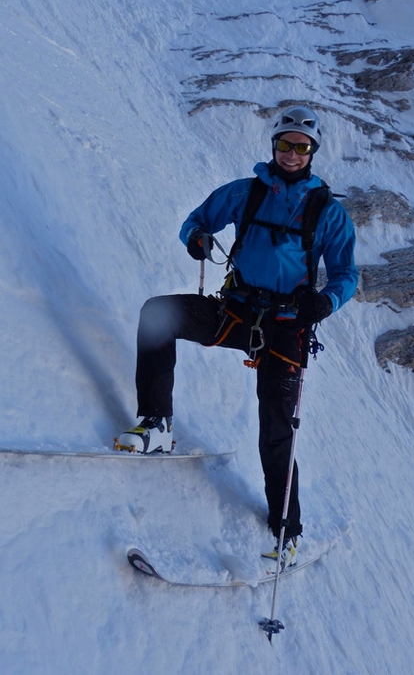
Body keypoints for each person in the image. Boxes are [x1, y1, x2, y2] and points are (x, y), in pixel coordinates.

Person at [117, 105, 358, 566]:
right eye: (285, 144)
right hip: (237, 311)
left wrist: (325, 302)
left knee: (276, 428)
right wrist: (197, 239)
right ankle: (156, 423)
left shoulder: (329, 214)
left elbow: (346, 273)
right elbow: (198, 219)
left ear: (313, 151)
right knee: (158, 314)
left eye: (301, 146)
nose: (291, 153)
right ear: (273, 146)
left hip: (287, 326)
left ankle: (286, 526)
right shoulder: (247, 193)